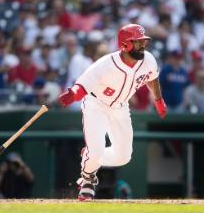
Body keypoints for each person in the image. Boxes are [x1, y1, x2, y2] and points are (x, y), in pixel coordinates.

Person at [58, 24, 167, 201]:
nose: (143, 46)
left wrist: (158, 99)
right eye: (138, 42)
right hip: (96, 105)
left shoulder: (148, 60)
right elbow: (83, 84)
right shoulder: (106, 63)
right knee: (96, 152)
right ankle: (87, 179)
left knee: (123, 157)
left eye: (143, 42)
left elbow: (152, 78)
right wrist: (74, 94)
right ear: (125, 45)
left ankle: (90, 155)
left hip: (121, 108)